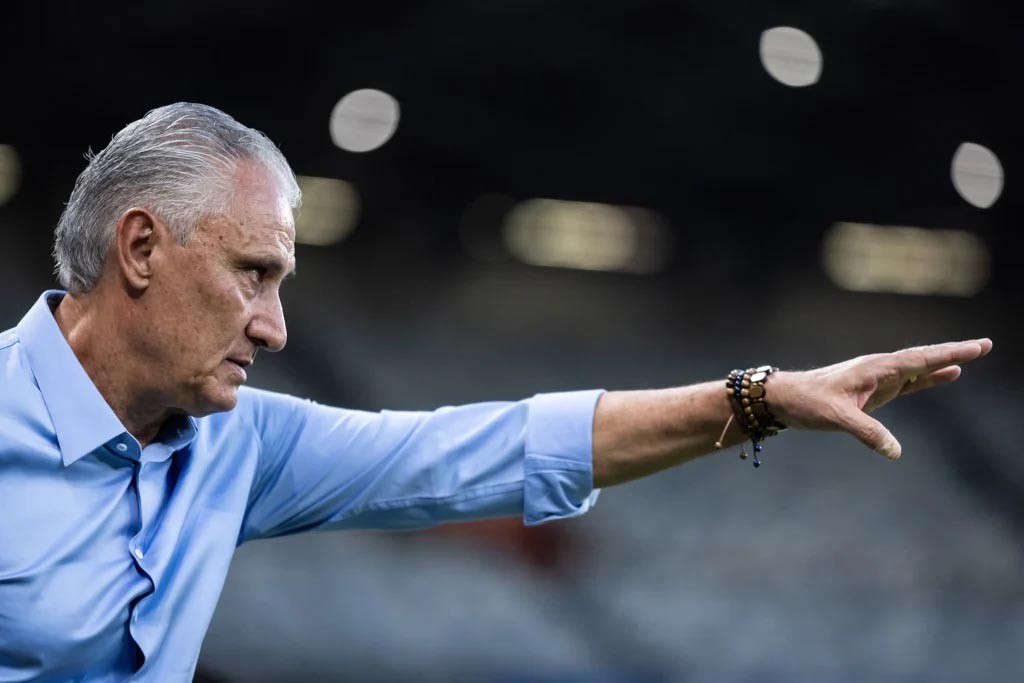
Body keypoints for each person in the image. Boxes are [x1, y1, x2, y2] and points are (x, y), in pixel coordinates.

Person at [0, 103, 992, 682]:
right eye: (252, 274)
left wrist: (762, 395)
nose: (274, 326)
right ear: (141, 248)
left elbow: (498, 446)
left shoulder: (240, 445)